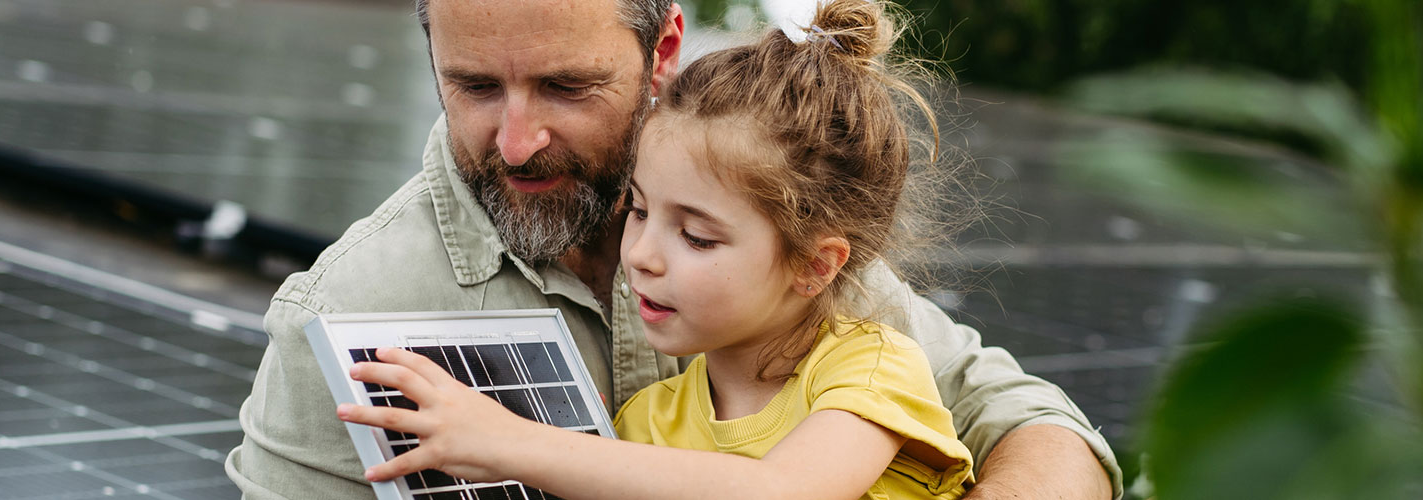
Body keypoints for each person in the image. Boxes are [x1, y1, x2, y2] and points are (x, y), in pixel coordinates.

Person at [225, 0, 1120, 498]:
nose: (517, 140)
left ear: (663, 53)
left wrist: (506, 444)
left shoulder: (786, 242)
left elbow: (1025, 419)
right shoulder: (347, 312)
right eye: (474, 86)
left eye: (567, 86)